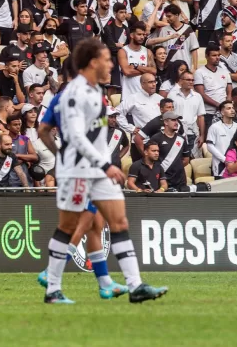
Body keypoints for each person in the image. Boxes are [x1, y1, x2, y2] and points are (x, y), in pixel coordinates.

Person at [42, 38, 166, 304]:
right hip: (78, 170)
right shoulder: (74, 94)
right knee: (68, 227)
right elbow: (75, 136)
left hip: (98, 170)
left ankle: (135, 286)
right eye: (107, 60)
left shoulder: (96, 91)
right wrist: (102, 163)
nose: (112, 64)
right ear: (93, 63)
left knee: (118, 222)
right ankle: (53, 289)